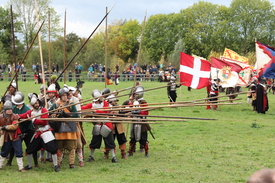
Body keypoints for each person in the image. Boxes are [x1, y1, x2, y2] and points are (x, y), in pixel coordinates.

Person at [18, 94, 60, 172]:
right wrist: (15, 116)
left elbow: (44, 122)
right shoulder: (30, 112)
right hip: (37, 132)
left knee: (53, 149)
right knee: (30, 148)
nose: (37, 105)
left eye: (38, 103)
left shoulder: (43, 110)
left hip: (46, 131)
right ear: (32, 104)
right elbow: (22, 116)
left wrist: (34, 120)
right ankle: (30, 165)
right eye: (35, 104)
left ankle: (55, 165)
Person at [81, 90, 118, 163]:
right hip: (97, 124)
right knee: (94, 141)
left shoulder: (105, 103)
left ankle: (113, 157)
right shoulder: (92, 104)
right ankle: (91, 156)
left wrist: (95, 111)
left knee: (110, 142)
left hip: (106, 124)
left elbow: (105, 113)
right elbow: (83, 108)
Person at [49, 88, 78, 168]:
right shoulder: (56, 104)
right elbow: (49, 113)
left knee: (71, 147)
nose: (65, 97)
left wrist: (69, 115)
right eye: (63, 95)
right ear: (60, 96)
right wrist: (57, 114)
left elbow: (76, 115)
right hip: (60, 128)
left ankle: (71, 163)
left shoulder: (71, 104)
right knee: (59, 148)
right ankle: (57, 163)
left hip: (70, 128)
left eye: (66, 95)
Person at [12, 91, 39, 168]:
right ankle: (9, 161)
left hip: (28, 130)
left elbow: (26, 117)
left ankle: (36, 163)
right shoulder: (14, 109)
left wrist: (20, 117)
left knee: (31, 146)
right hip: (18, 130)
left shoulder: (27, 109)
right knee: (14, 146)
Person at [0, 101, 26, 172]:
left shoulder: (14, 116)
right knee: (4, 151)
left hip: (15, 136)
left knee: (18, 151)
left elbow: (15, 126)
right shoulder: (0, 116)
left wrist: (6, 127)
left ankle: (21, 168)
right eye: (8, 109)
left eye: (11, 109)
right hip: (6, 136)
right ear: (5, 110)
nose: (10, 111)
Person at [127, 86, 150, 157]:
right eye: (135, 94)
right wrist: (131, 102)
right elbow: (129, 109)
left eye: (136, 94)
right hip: (134, 120)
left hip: (142, 122)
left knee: (143, 139)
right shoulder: (134, 102)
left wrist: (136, 112)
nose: (135, 95)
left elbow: (145, 112)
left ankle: (146, 152)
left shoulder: (143, 102)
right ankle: (131, 152)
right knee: (133, 138)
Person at [106, 94, 128, 159]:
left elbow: (123, 115)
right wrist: (111, 113)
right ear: (110, 101)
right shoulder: (107, 107)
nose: (116, 102)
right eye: (114, 101)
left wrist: (118, 113)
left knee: (122, 140)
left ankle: (123, 154)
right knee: (109, 140)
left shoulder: (119, 107)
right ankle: (106, 153)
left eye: (116, 101)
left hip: (119, 126)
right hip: (111, 126)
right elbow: (105, 115)